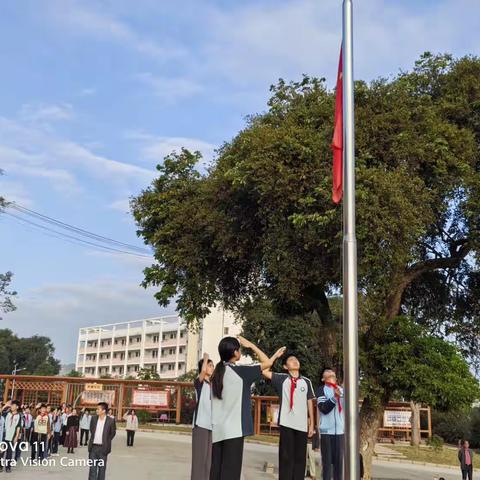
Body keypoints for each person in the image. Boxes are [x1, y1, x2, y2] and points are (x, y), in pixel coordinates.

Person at [210, 336, 286, 480]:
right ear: (235, 352)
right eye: (239, 350)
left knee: (216, 471)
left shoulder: (217, 374)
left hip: (218, 430)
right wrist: (251, 345)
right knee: (230, 473)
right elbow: (267, 363)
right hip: (234, 430)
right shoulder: (241, 372)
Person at [263, 353, 315, 480]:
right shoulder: (282, 379)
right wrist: (275, 356)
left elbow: (309, 402)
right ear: (285, 367)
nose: (295, 361)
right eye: (291, 360)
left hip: (302, 425)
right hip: (287, 424)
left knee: (300, 459)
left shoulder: (306, 381)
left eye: (296, 359)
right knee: (286, 458)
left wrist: (312, 423)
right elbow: (264, 370)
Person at [317, 368, 344, 480]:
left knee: (339, 465)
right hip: (326, 433)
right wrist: (334, 398)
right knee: (327, 464)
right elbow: (323, 408)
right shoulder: (321, 390)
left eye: (332, 372)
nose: (330, 373)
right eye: (327, 372)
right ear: (323, 378)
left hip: (340, 432)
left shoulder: (342, 390)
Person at [191, 352, 214, 480]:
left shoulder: (214, 385)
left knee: (209, 460)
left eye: (212, 365)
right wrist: (205, 358)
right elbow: (203, 371)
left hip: (212, 425)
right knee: (199, 459)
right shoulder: (199, 383)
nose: (212, 368)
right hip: (200, 424)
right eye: (210, 365)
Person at [88, 402, 116, 480]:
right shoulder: (93, 419)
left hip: (103, 449)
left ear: (103, 411)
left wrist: (106, 441)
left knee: (102, 470)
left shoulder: (110, 421)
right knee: (92, 470)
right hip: (93, 448)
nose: (96, 410)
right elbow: (91, 430)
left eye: (98, 409)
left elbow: (112, 433)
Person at [1, 400, 22, 473]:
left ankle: (8, 467)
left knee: (9, 453)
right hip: (4, 436)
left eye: (13, 405)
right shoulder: (6, 413)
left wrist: (16, 436)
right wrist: (5, 406)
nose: (12, 406)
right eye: (11, 405)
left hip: (11, 437)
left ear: (17, 407)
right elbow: (0, 412)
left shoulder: (19, 416)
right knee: (1, 452)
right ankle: (0, 466)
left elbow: (18, 426)